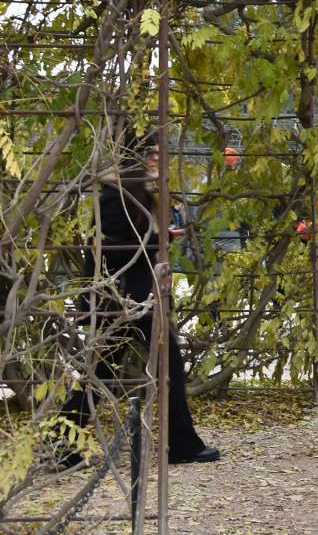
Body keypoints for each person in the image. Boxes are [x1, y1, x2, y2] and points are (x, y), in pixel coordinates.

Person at [60, 132, 219, 466]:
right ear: (137, 156)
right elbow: (112, 249)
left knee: (103, 372)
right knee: (156, 367)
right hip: (126, 302)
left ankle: (61, 444)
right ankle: (181, 445)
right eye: (153, 153)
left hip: (128, 301)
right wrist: (157, 242)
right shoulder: (118, 193)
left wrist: (160, 238)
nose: (158, 159)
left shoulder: (130, 189)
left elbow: (129, 241)